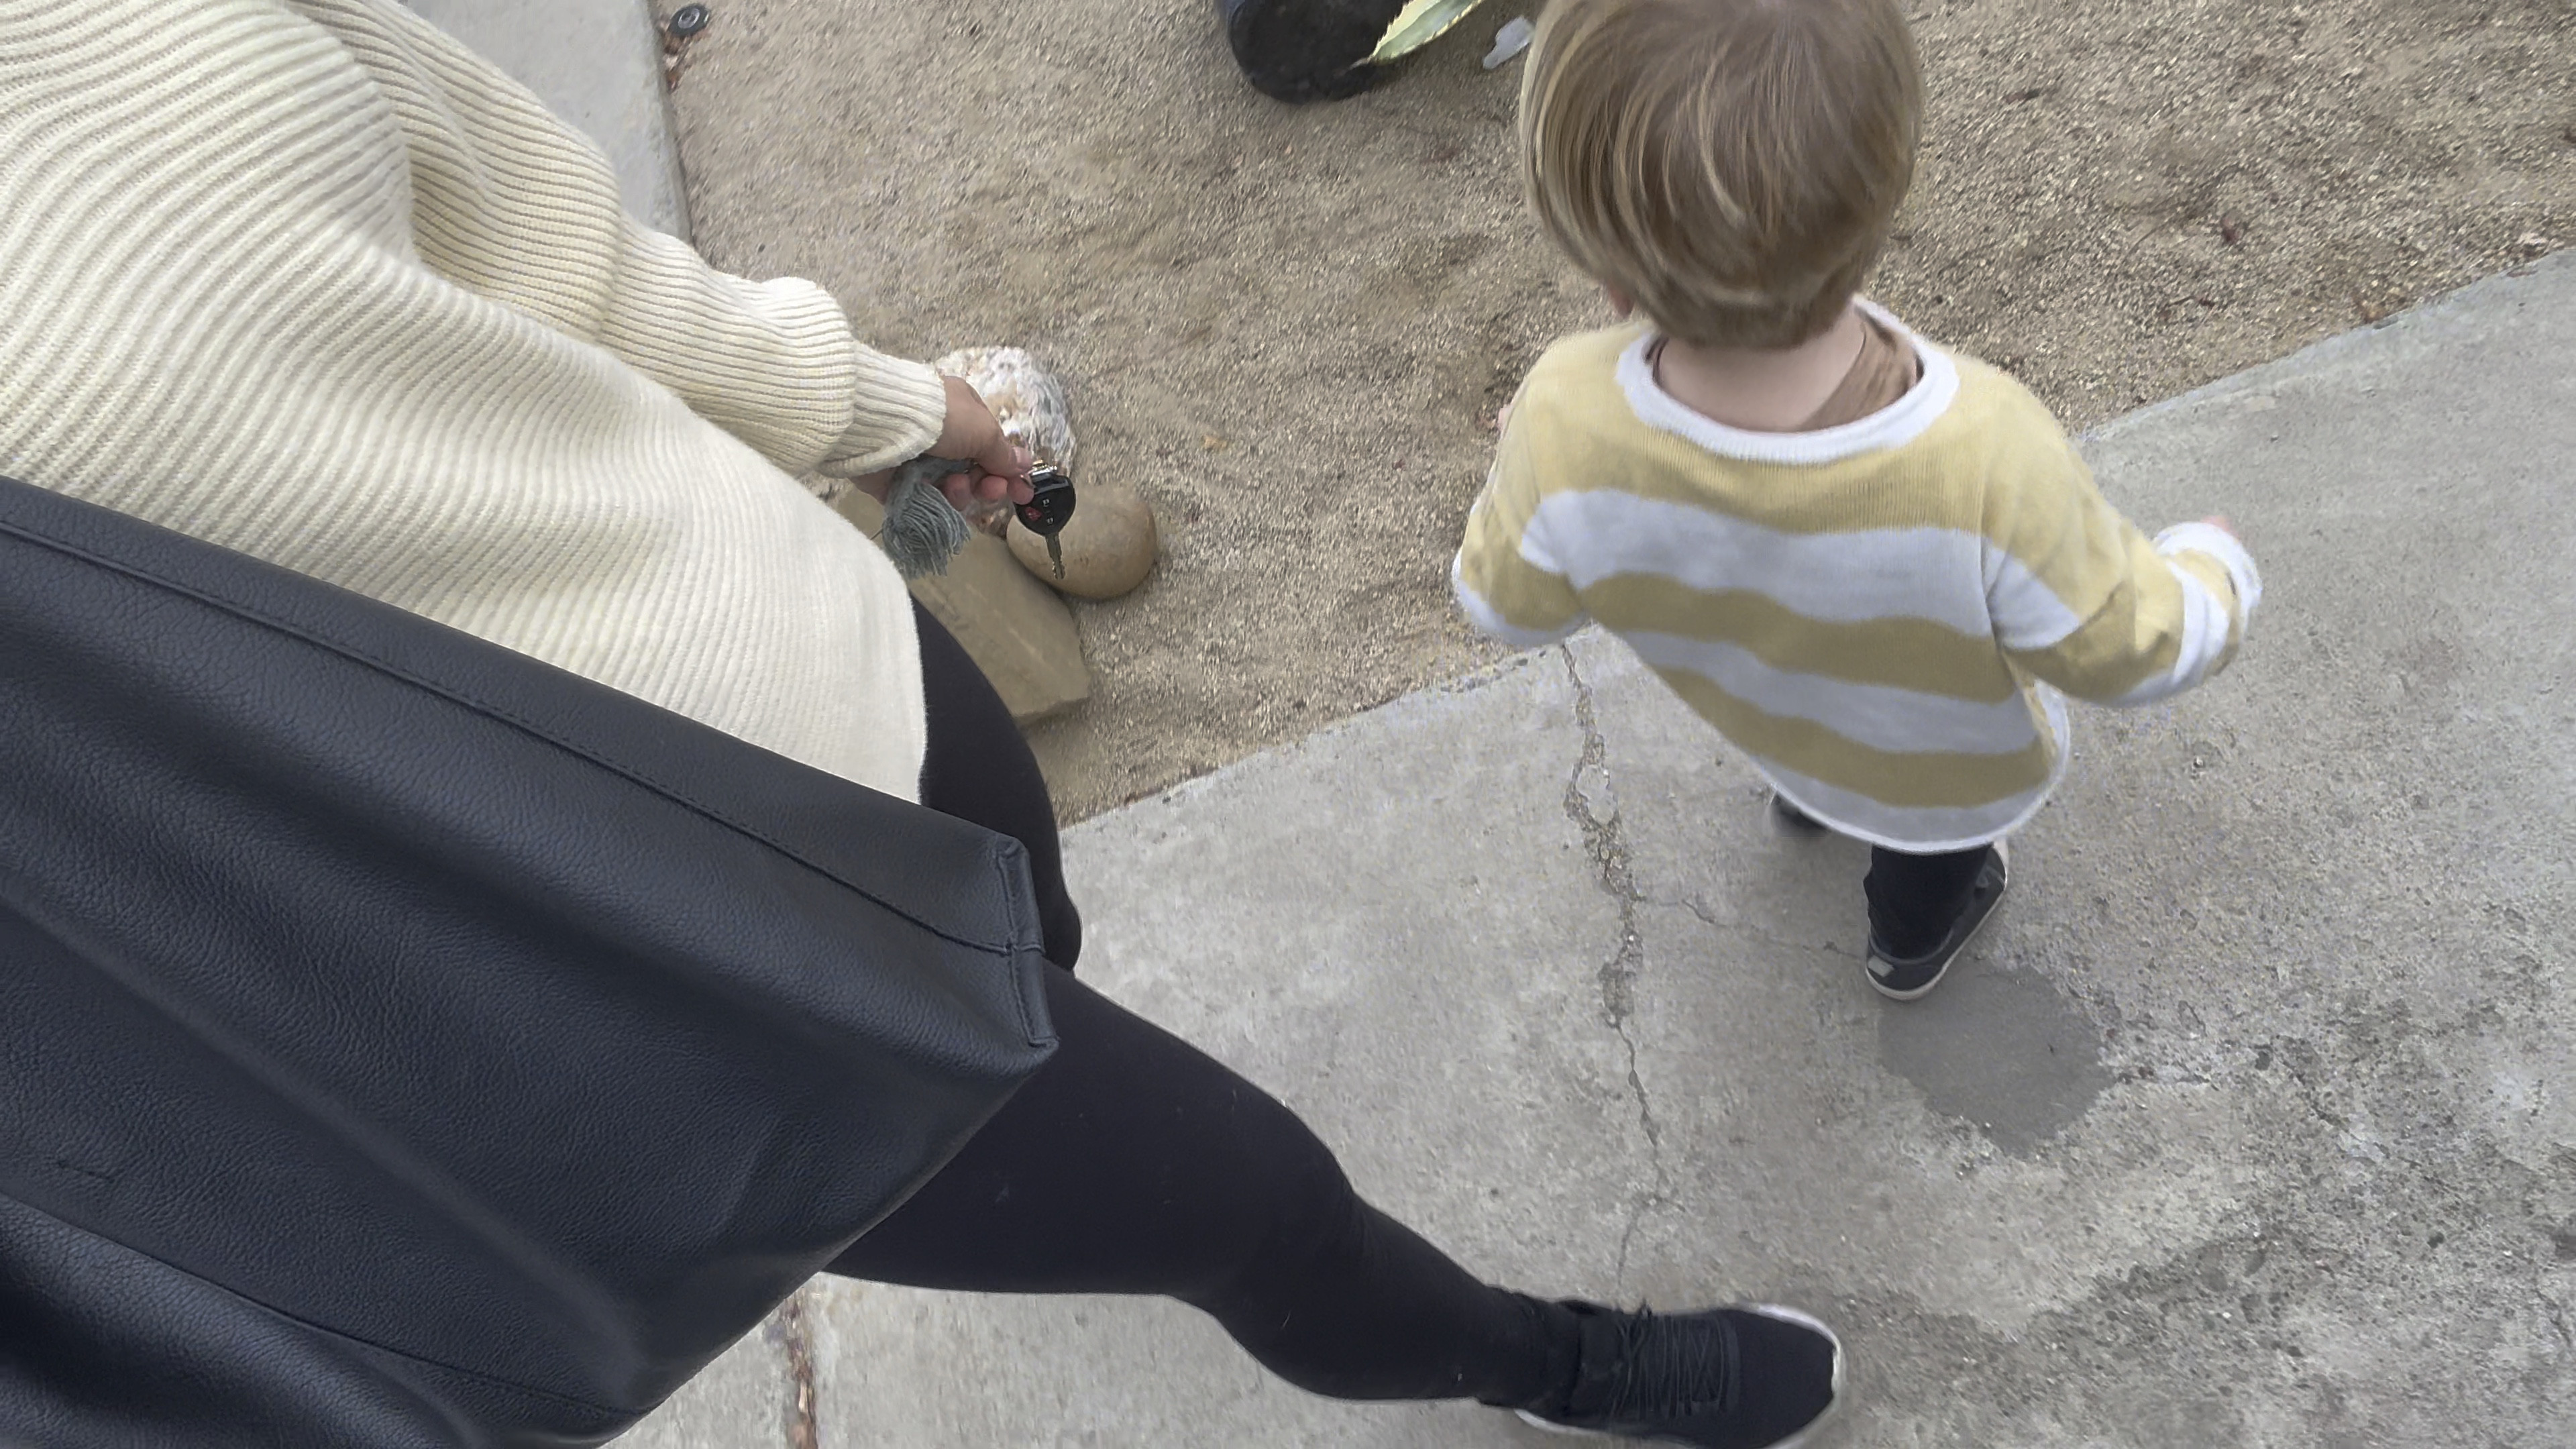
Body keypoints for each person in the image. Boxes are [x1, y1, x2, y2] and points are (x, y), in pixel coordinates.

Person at [0, 2, 1840, 1444]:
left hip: (828, 672)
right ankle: (1547, 1364)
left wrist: (885, 405)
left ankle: (1054, 1028)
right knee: (1252, 1202)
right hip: (613, 999)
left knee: (1041, 959)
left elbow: (543, 245)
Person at [1456, 0, 2261, 1003]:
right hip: (1943, 774)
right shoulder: (1985, 452)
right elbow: (2119, 646)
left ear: (1608, 276)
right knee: (1933, 853)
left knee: (1810, 754)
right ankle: (1908, 947)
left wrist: (1557, 493)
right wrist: (2215, 572)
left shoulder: (1562, 416)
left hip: (1771, 718)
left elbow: (1501, 606)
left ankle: (1807, 804)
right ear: (1885, 198)